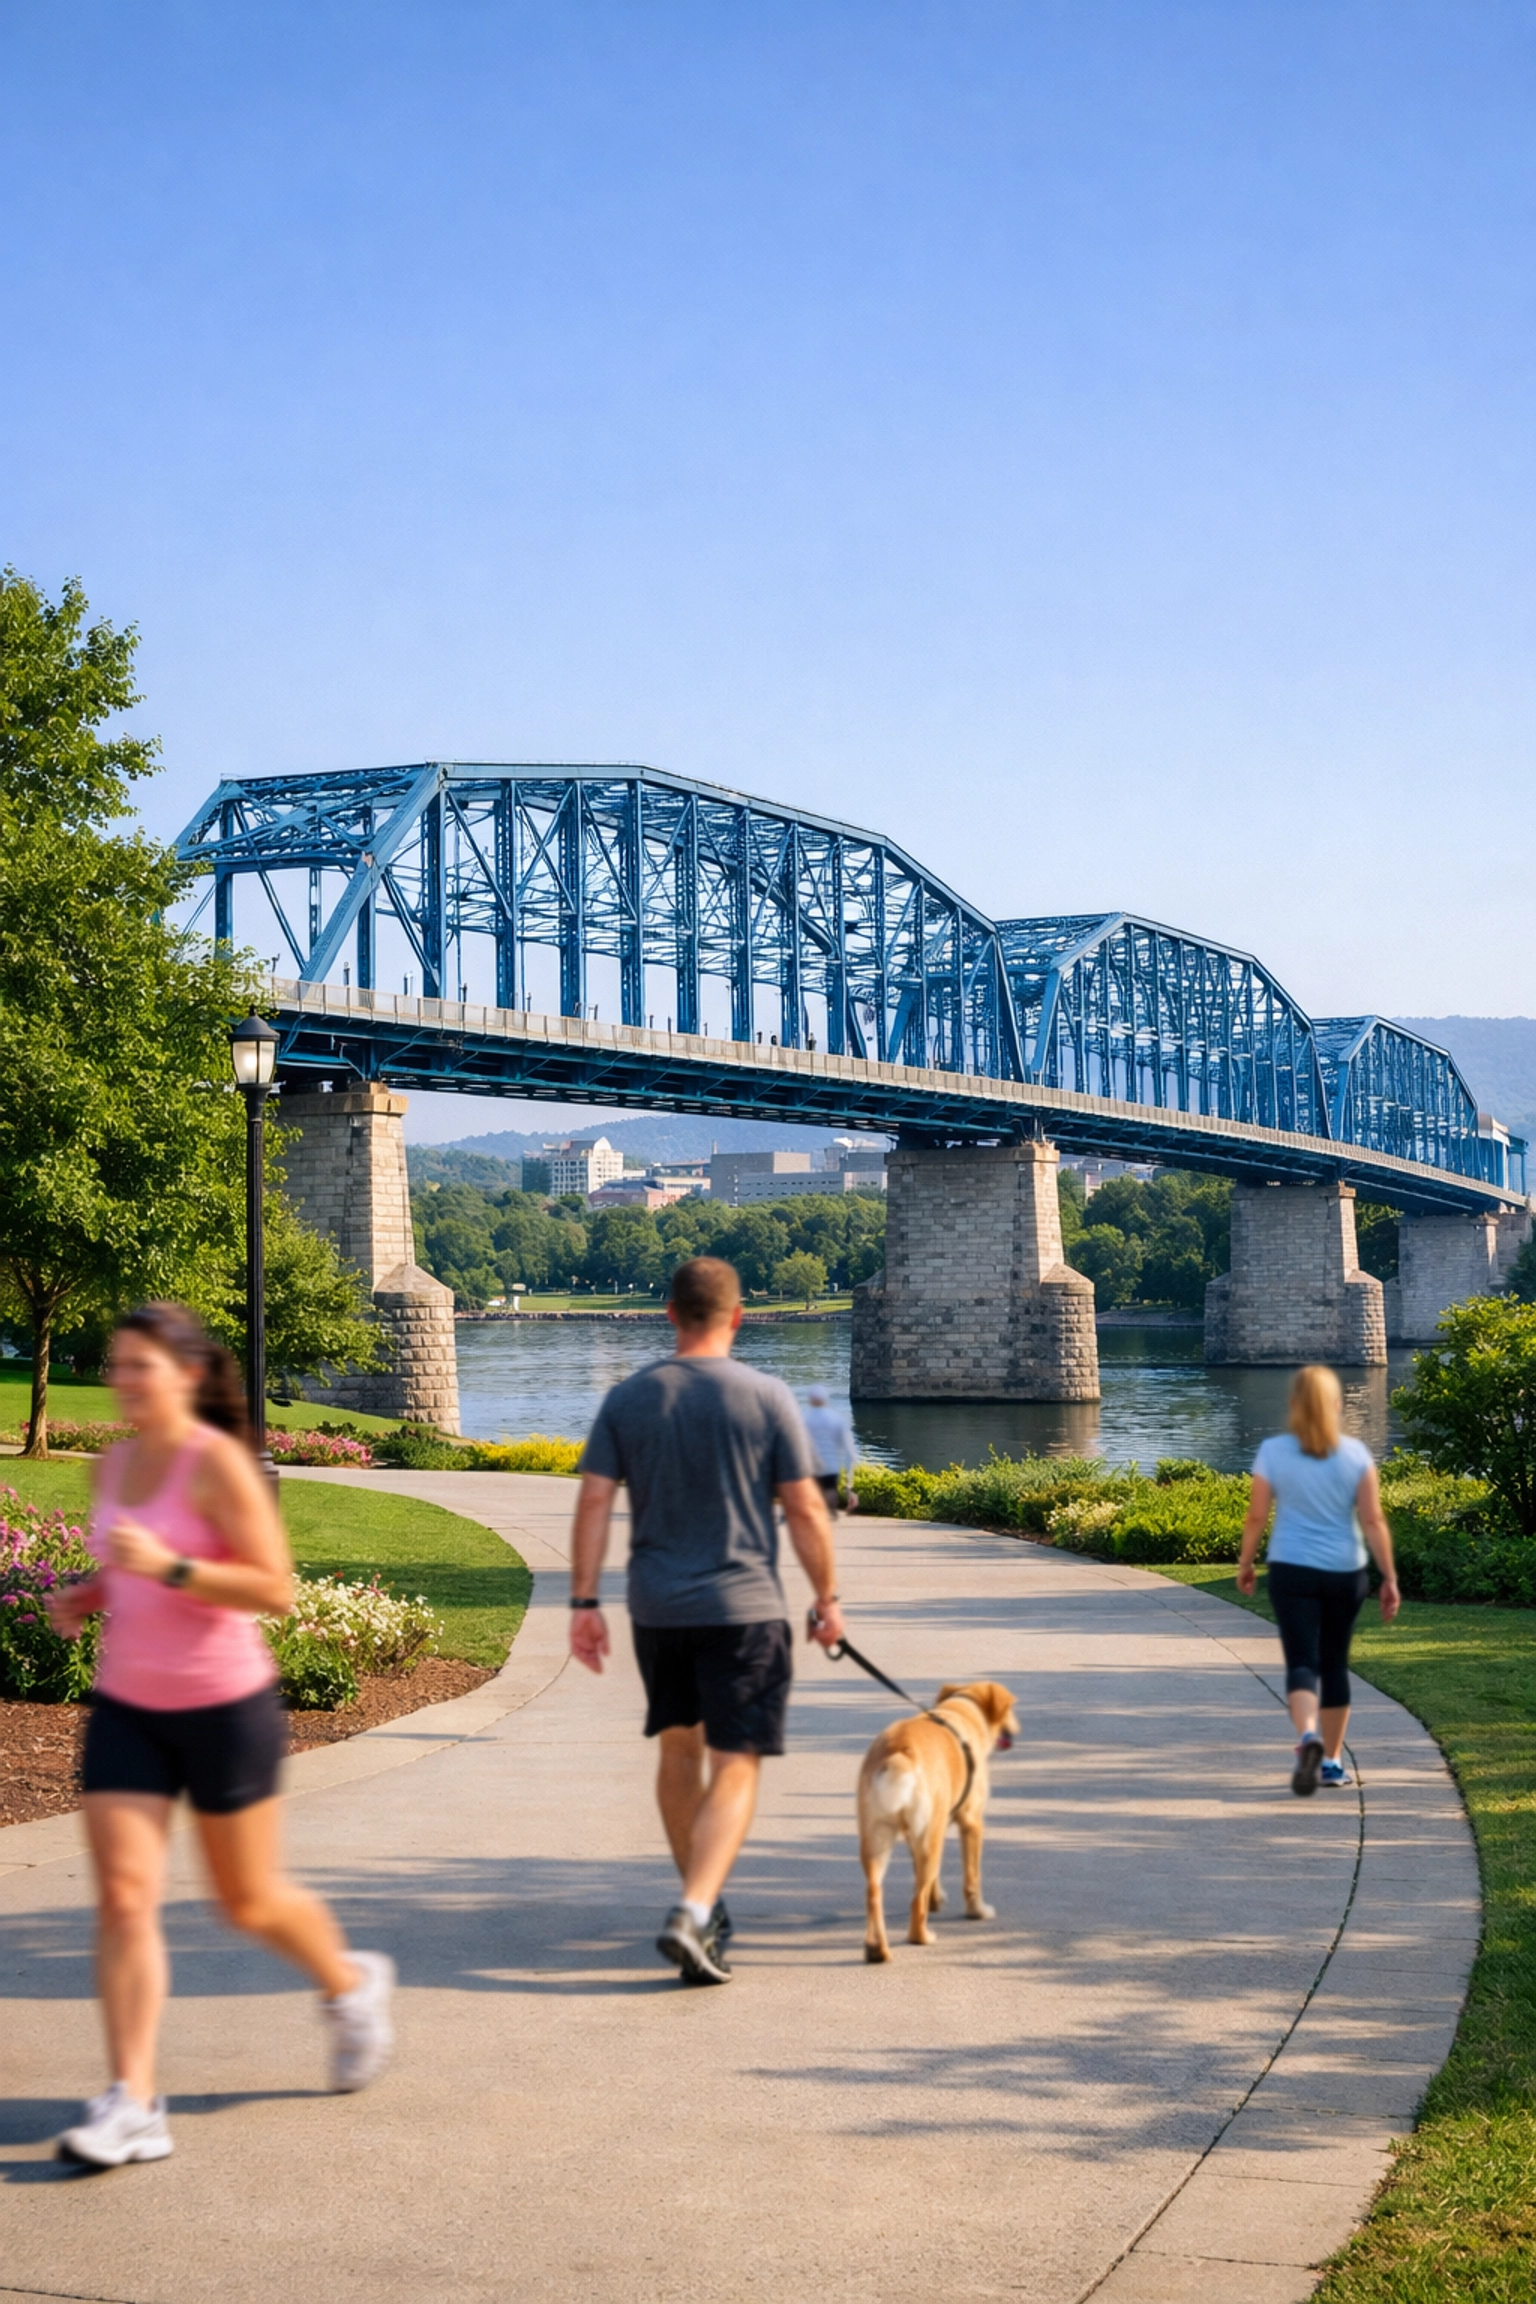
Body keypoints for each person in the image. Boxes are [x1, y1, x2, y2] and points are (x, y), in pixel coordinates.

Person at [44, 1302, 395, 2169]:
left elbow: (273, 1587)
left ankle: (351, 1986)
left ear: (189, 1374)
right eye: (114, 1364)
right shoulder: (114, 1465)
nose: (119, 1379)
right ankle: (133, 2100)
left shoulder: (217, 1467)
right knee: (126, 1898)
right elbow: (125, 1566)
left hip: (223, 1708)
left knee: (246, 1901)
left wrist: (169, 1567)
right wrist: (91, 1592)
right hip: (127, 1706)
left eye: (138, 1366)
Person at [569, 1256, 845, 1984]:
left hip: (659, 1611)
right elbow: (806, 1509)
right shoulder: (768, 1397)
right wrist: (827, 1599)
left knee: (678, 1754)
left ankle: (705, 1910)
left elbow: (594, 1502)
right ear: (738, 1316)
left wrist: (584, 1603)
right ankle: (695, 1909)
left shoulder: (628, 1398)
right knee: (737, 1761)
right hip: (743, 1610)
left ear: (669, 1315)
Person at [1236, 1364, 1401, 1798]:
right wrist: (1389, 1576)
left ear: (1293, 1406)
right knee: (1334, 1662)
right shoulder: (1356, 1455)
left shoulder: (1273, 1452)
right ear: (1337, 1405)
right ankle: (1330, 1762)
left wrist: (1246, 1563)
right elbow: (1372, 1519)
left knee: (1302, 1663)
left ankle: (1307, 1735)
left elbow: (1256, 1516)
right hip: (1346, 1572)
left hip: (1291, 1568)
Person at [801, 1384, 858, 1515]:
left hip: (811, 1464)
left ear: (810, 1400)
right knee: (830, 1489)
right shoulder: (836, 1419)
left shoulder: (804, 1418)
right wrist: (849, 1481)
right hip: (831, 1465)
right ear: (826, 1400)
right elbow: (849, 1448)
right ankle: (830, 1511)